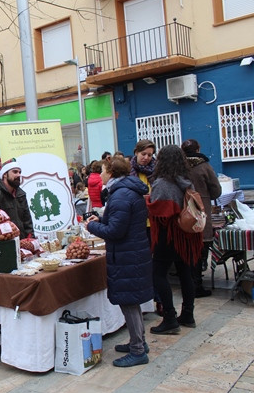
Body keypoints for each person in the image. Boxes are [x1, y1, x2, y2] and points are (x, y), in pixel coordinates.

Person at [86, 157, 152, 367]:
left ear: (112, 173)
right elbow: (121, 221)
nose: (100, 175)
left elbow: (116, 231)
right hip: (131, 253)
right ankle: (138, 341)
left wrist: (92, 227)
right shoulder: (125, 191)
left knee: (129, 302)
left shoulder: (121, 194)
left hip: (127, 255)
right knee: (131, 301)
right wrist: (102, 220)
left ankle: (138, 350)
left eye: (104, 170)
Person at [146, 145, 203, 334]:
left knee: (158, 274)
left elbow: (159, 211)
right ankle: (188, 313)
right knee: (185, 272)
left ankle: (169, 318)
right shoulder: (186, 181)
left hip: (169, 236)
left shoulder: (162, 183)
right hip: (186, 235)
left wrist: (146, 200)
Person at [181, 139, 222, 298]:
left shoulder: (178, 167)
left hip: (183, 212)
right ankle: (197, 285)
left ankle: (189, 283)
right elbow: (216, 190)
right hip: (201, 211)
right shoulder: (204, 166)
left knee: (187, 249)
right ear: (198, 149)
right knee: (200, 247)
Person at [129, 139, 159, 313]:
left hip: (154, 223)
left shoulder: (156, 171)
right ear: (136, 153)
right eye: (143, 154)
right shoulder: (129, 172)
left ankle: (157, 299)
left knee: (154, 264)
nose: (146, 158)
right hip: (137, 223)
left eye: (149, 155)